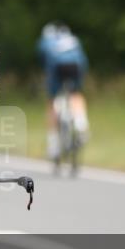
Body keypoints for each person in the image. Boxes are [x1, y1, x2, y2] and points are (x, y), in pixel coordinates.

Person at [37, 22, 89, 159]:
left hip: (56, 68)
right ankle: (81, 124)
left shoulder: (45, 41)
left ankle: (53, 144)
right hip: (76, 67)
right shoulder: (73, 39)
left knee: (52, 101)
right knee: (76, 94)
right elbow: (83, 60)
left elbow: (43, 63)